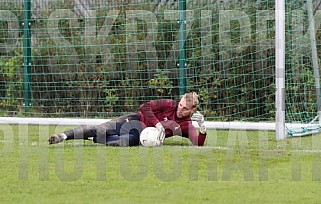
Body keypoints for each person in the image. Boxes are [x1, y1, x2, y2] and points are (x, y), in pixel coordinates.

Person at [48, 92, 207, 146]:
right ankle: (63, 136)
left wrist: (202, 128)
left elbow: (197, 142)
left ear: (192, 110)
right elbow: (144, 107)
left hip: (139, 137)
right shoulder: (168, 104)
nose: (180, 109)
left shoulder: (186, 125)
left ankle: (91, 139)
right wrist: (158, 125)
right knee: (103, 129)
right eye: (180, 105)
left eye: (185, 108)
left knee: (123, 141)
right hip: (135, 120)